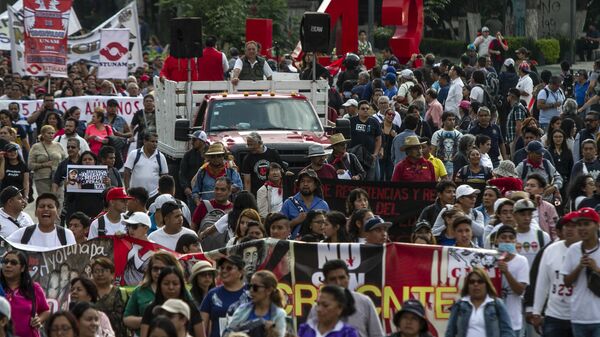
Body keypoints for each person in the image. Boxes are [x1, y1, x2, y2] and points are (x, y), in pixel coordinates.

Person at [530, 212, 579, 337]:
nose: (569, 229)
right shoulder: (550, 250)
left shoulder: (589, 250)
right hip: (554, 315)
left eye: (574, 226)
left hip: (581, 317)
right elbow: (542, 282)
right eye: (566, 226)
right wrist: (536, 311)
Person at [307, 259, 383, 337]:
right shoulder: (316, 309)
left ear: (348, 278)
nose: (338, 283)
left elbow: (377, 334)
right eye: (333, 279)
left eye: (342, 278)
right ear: (325, 282)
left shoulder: (364, 302)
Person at [562, 207, 600, 337]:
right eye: (579, 225)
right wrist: (579, 267)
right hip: (578, 316)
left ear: (597, 225)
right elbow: (566, 282)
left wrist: (596, 269)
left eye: (586, 224)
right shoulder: (573, 250)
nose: (582, 228)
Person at [445, 268, 515, 337]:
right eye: (472, 282)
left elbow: (507, 332)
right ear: (467, 285)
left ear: (486, 284)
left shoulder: (497, 304)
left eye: (480, 281)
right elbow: (450, 332)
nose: (476, 284)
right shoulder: (459, 304)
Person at [123, 252, 180, 336]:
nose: (159, 272)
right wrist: (147, 320)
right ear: (150, 270)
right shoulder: (139, 291)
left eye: (163, 269)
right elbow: (126, 319)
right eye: (155, 269)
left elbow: (194, 317)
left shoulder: (180, 290)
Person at [140, 266, 204, 337]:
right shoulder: (151, 309)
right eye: (166, 283)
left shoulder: (191, 307)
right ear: (160, 285)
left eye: (175, 284)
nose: (171, 287)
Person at [226, 270, 287, 337]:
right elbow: (227, 333)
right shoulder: (242, 310)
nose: (251, 290)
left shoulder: (280, 315)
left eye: (255, 287)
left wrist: (272, 332)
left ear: (269, 290)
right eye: (250, 286)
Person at [493, 225, 530, 334]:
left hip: (512, 322)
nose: (507, 240)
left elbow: (520, 291)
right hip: (493, 320)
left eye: (511, 238)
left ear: (515, 241)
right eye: (503, 237)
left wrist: (506, 272)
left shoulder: (522, 261)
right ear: (496, 240)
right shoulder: (488, 259)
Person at [200, 256, 247, 337]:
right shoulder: (212, 294)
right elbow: (202, 327)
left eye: (229, 268)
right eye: (222, 268)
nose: (224, 271)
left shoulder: (252, 292)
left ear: (241, 272)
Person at [7, 193, 76, 247]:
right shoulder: (23, 234)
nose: (46, 209)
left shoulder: (67, 235)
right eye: (42, 206)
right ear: (36, 212)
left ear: (57, 212)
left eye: (50, 206)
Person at [281, 169, 329, 238]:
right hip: (295, 246)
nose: (305, 184)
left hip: (318, 245)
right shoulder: (288, 203)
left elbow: (328, 227)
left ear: (315, 185)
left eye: (309, 181)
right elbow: (280, 227)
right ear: (298, 184)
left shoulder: (323, 205)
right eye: (302, 181)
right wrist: (295, 221)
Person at [90, 257, 128, 337]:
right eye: (96, 271)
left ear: (112, 274)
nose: (100, 274)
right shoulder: (88, 293)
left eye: (103, 270)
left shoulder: (121, 293)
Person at [124, 132, 168, 198]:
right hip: (135, 195)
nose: (155, 144)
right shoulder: (134, 154)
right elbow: (126, 173)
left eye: (156, 142)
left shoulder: (161, 157)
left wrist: (162, 194)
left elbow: (164, 177)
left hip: (154, 196)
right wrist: (127, 190)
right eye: (152, 141)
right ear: (145, 141)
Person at [28, 125, 66, 195]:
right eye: (48, 133)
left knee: (59, 201)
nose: (51, 135)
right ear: (42, 134)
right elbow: (30, 165)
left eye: (52, 133)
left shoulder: (58, 145)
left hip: (57, 179)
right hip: (42, 179)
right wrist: (43, 164)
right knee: (46, 200)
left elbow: (64, 161)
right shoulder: (36, 147)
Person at [511, 199, 551, 265]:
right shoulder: (508, 238)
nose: (527, 218)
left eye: (529, 214)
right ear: (514, 215)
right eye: (523, 214)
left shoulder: (543, 236)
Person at [180, 130, 208, 210]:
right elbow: (182, 173)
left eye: (195, 140)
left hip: (207, 191)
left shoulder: (210, 154)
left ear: (202, 141)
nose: (192, 142)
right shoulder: (188, 155)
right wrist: (186, 187)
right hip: (192, 193)